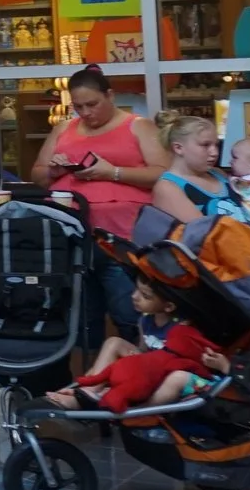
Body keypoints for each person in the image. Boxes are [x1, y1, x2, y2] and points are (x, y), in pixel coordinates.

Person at [29, 66, 167, 345]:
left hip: (121, 239)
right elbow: (37, 175)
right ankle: (84, 380)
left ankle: (136, 370)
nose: (86, 112)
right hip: (71, 238)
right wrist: (54, 172)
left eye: (92, 104)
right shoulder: (64, 128)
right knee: (81, 316)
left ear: (110, 95)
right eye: (79, 106)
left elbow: (163, 173)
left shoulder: (137, 126)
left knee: (129, 311)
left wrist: (112, 173)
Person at [46, 276, 229, 412]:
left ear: (169, 307)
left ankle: (139, 411)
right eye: (136, 290)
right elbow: (142, 351)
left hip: (175, 375)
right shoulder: (145, 320)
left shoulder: (182, 327)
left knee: (177, 377)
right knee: (114, 342)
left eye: (145, 296)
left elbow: (194, 358)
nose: (134, 297)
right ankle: (91, 389)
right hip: (150, 371)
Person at [151, 115, 245, 225]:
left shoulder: (218, 174)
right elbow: (202, 233)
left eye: (216, 145)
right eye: (205, 145)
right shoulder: (168, 187)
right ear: (178, 148)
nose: (215, 153)